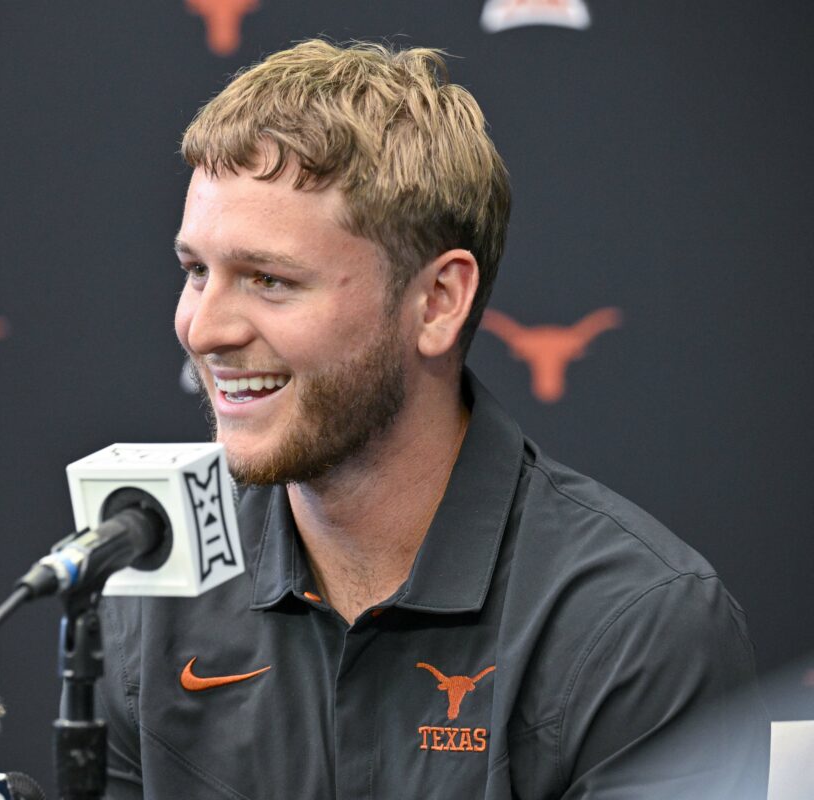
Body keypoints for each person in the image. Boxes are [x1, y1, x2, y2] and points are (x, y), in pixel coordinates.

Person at [95, 40, 769, 799]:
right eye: (196, 272)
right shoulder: (157, 596)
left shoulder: (638, 626)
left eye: (269, 280)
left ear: (439, 301)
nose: (203, 327)